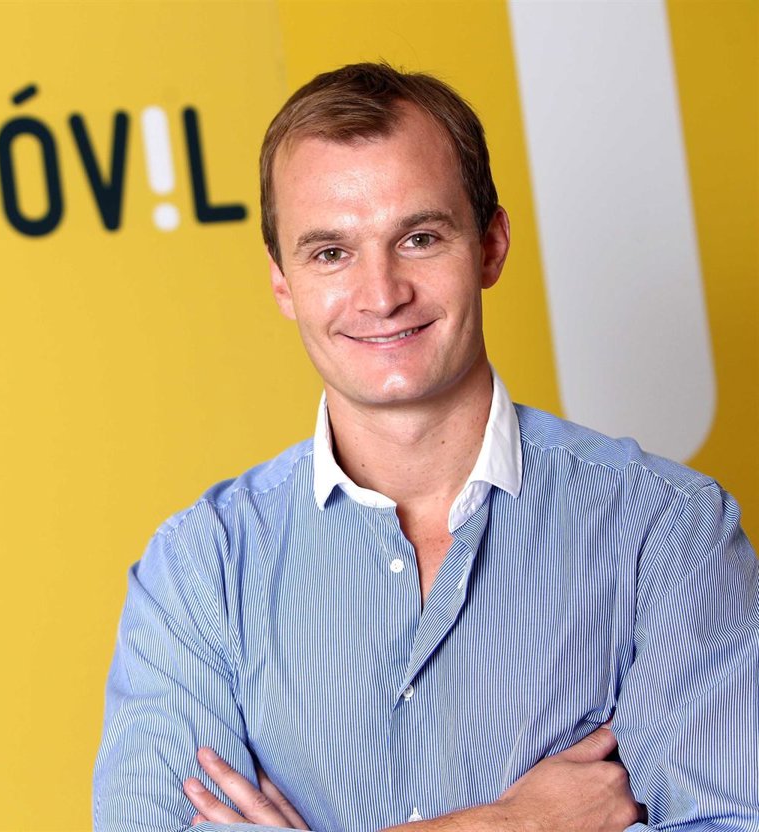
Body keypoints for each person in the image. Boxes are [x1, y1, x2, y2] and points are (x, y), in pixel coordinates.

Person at [92, 63, 758, 832]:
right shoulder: (202, 570)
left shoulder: (666, 533)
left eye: (419, 238)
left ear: (491, 246)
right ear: (282, 281)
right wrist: (513, 824)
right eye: (330, 253)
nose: (382, 294)